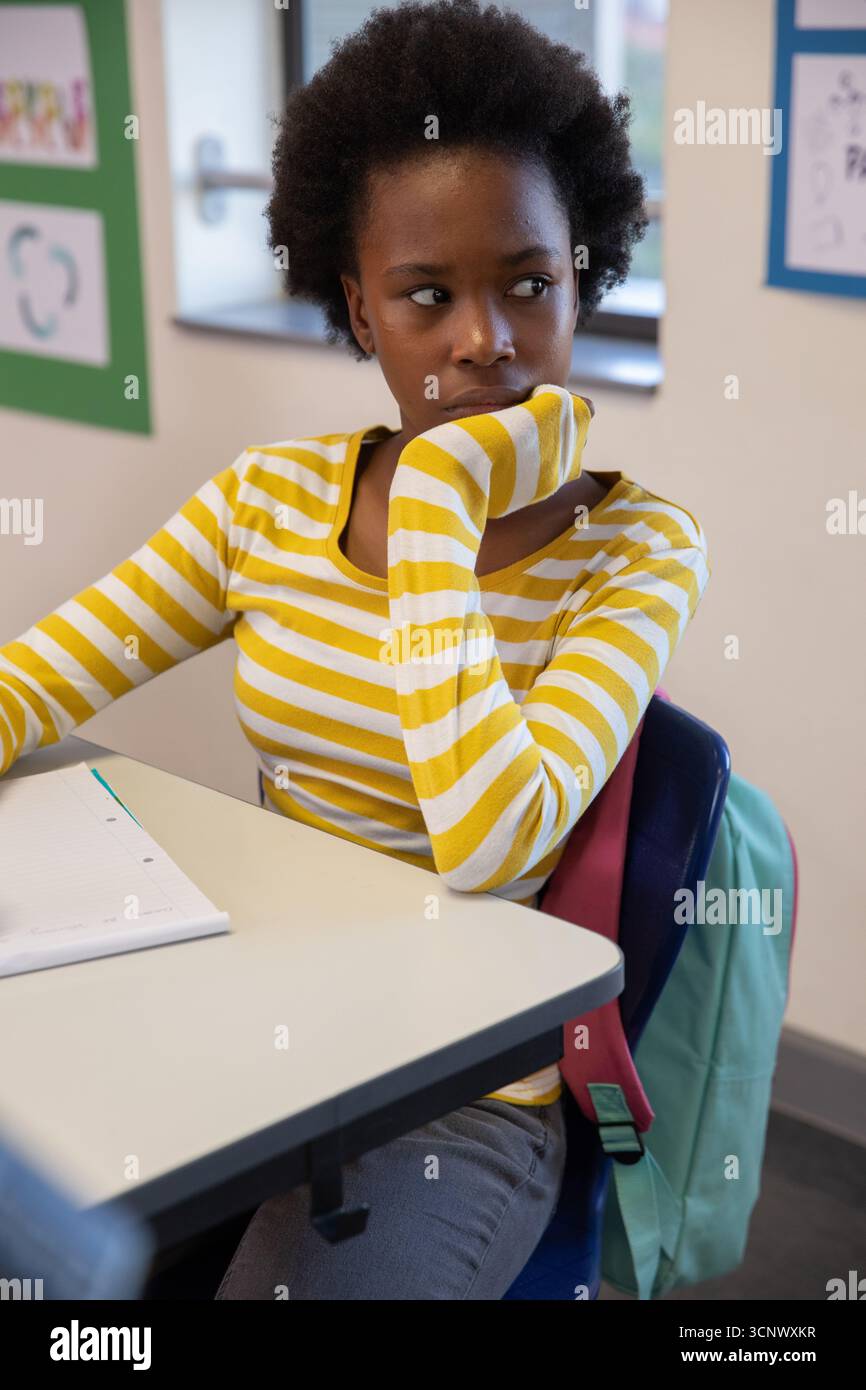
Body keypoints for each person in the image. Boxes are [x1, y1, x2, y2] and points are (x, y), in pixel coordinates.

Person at [0, 0, 710, 1299]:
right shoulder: (267, 504)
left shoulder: (639, 551)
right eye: (427, 294)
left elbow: (490, 843)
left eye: (529, 285)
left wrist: (438, 500)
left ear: (583, 275)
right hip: (257, 1018)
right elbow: (30, 679)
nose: (483, 338)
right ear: (356, 305)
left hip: (457, 1094)